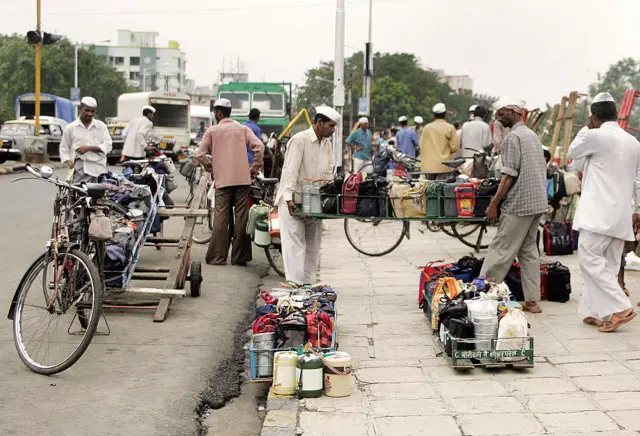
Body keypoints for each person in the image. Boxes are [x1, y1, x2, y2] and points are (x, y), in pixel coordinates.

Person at [568, 92, 640, 332]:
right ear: (616, 114)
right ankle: (597, 312)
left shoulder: (594, 136)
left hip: (597, 215)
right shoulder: (633, 142)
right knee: (608, 265)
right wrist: (637, 209)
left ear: (594, 116)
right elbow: (638, 181)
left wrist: (585, 130)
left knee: (589, 259)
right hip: (621, 214)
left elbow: (572, 152)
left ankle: (621, 307)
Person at [479, 97, 547, 313]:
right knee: (528, 250)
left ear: (515, 111)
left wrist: (493, 204)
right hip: (537, 203)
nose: (498, 118)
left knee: (501, 249)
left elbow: (508, 176)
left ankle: (482, 295)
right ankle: (532, 301)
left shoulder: (513, 138)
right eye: (497, 114)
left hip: (519, 204)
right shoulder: (532, 136)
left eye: (502, 113)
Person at [196, 98, 265, 266]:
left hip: (223, 181)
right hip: (243, 180)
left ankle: (217, 257)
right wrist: (254, 169)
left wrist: (212, 168)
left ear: (218, 113)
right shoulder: (243, 129)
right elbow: (260, 147)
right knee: (242, 217)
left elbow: (199, 154)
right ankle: (239, 257)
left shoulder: (212, 131)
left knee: (221, 218)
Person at [276, 106, 340, 284]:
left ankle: (309, 287)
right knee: (294, 246)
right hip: (293, 198)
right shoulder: (300, 140)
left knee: (313, 246)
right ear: (318, 123)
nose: (333, 130)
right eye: (331, 125)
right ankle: (295, 286)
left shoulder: (327, 144)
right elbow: (291, 169)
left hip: (313, 198)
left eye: (334, 126)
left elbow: (328, 173)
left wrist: (329, 196)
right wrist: (288, 197)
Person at [59, 97, 112, 184]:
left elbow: (108, 146)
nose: (90, 114)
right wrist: (68, 161)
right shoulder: (71, 128)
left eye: (92, 111)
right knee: (79, 195)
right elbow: (63, 148)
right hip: (80, 168)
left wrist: (88, 148)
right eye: (87, 110)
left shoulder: (101, 126)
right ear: (81, 109)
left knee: (97, 195)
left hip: (99, 168)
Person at [419, 103, 459, 179]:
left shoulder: (427, 128)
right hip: (444, 165)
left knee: (428, 187)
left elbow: (421, 145)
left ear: (433, 115)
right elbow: (454, 147)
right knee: (440, 188)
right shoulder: (450, 128)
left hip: (428, 166)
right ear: (445, 114)